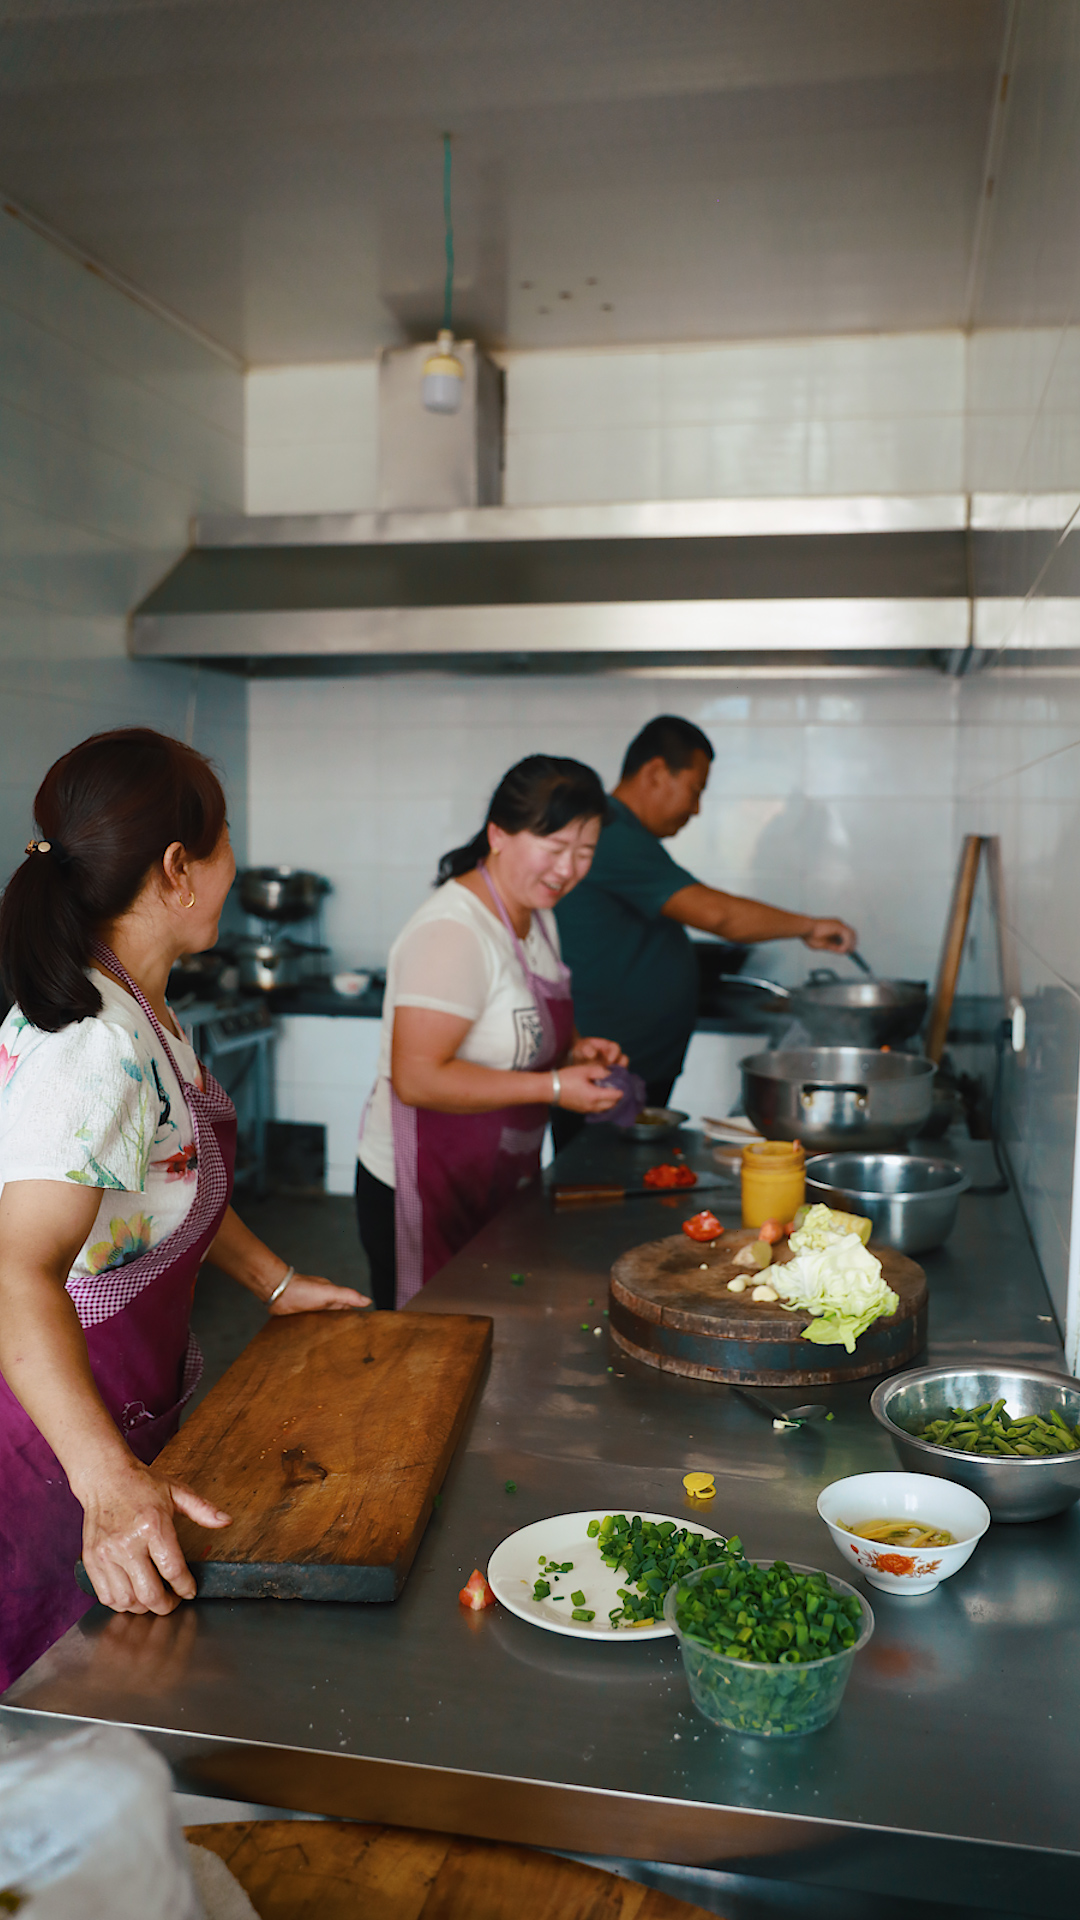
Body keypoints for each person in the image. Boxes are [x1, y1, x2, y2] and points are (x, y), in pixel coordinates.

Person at [0, 728, 367, 1690]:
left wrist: (275, 1283)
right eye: (226, 840)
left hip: (116, 1408)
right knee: (60, 1695)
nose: (235, 867)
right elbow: (16, 1271)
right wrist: (105, 1480)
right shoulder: (91, 1052)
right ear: (176, 868)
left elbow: (174, 1179)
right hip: (53, 1440)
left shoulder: (147, 1012)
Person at [356, 755, 628, 1310]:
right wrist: (555, 1088)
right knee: (432, 1348)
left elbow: (522, 1016)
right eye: (554, 849)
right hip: (424, 1184)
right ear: (498, 835)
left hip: (496, 1174)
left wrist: (574, 1048)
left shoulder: (537, 912)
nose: (568, 869)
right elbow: (418, 1079)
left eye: (585, 853)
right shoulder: (452, 931)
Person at [555, 715, 857, 1114]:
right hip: (605, 1064)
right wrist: (810, 926)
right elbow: (718, 916)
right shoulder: (612, 834)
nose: (697, 809)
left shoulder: (627, 835)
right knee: (600, 1176)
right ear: (657, 772)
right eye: (694, 791)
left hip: (624, 1062)